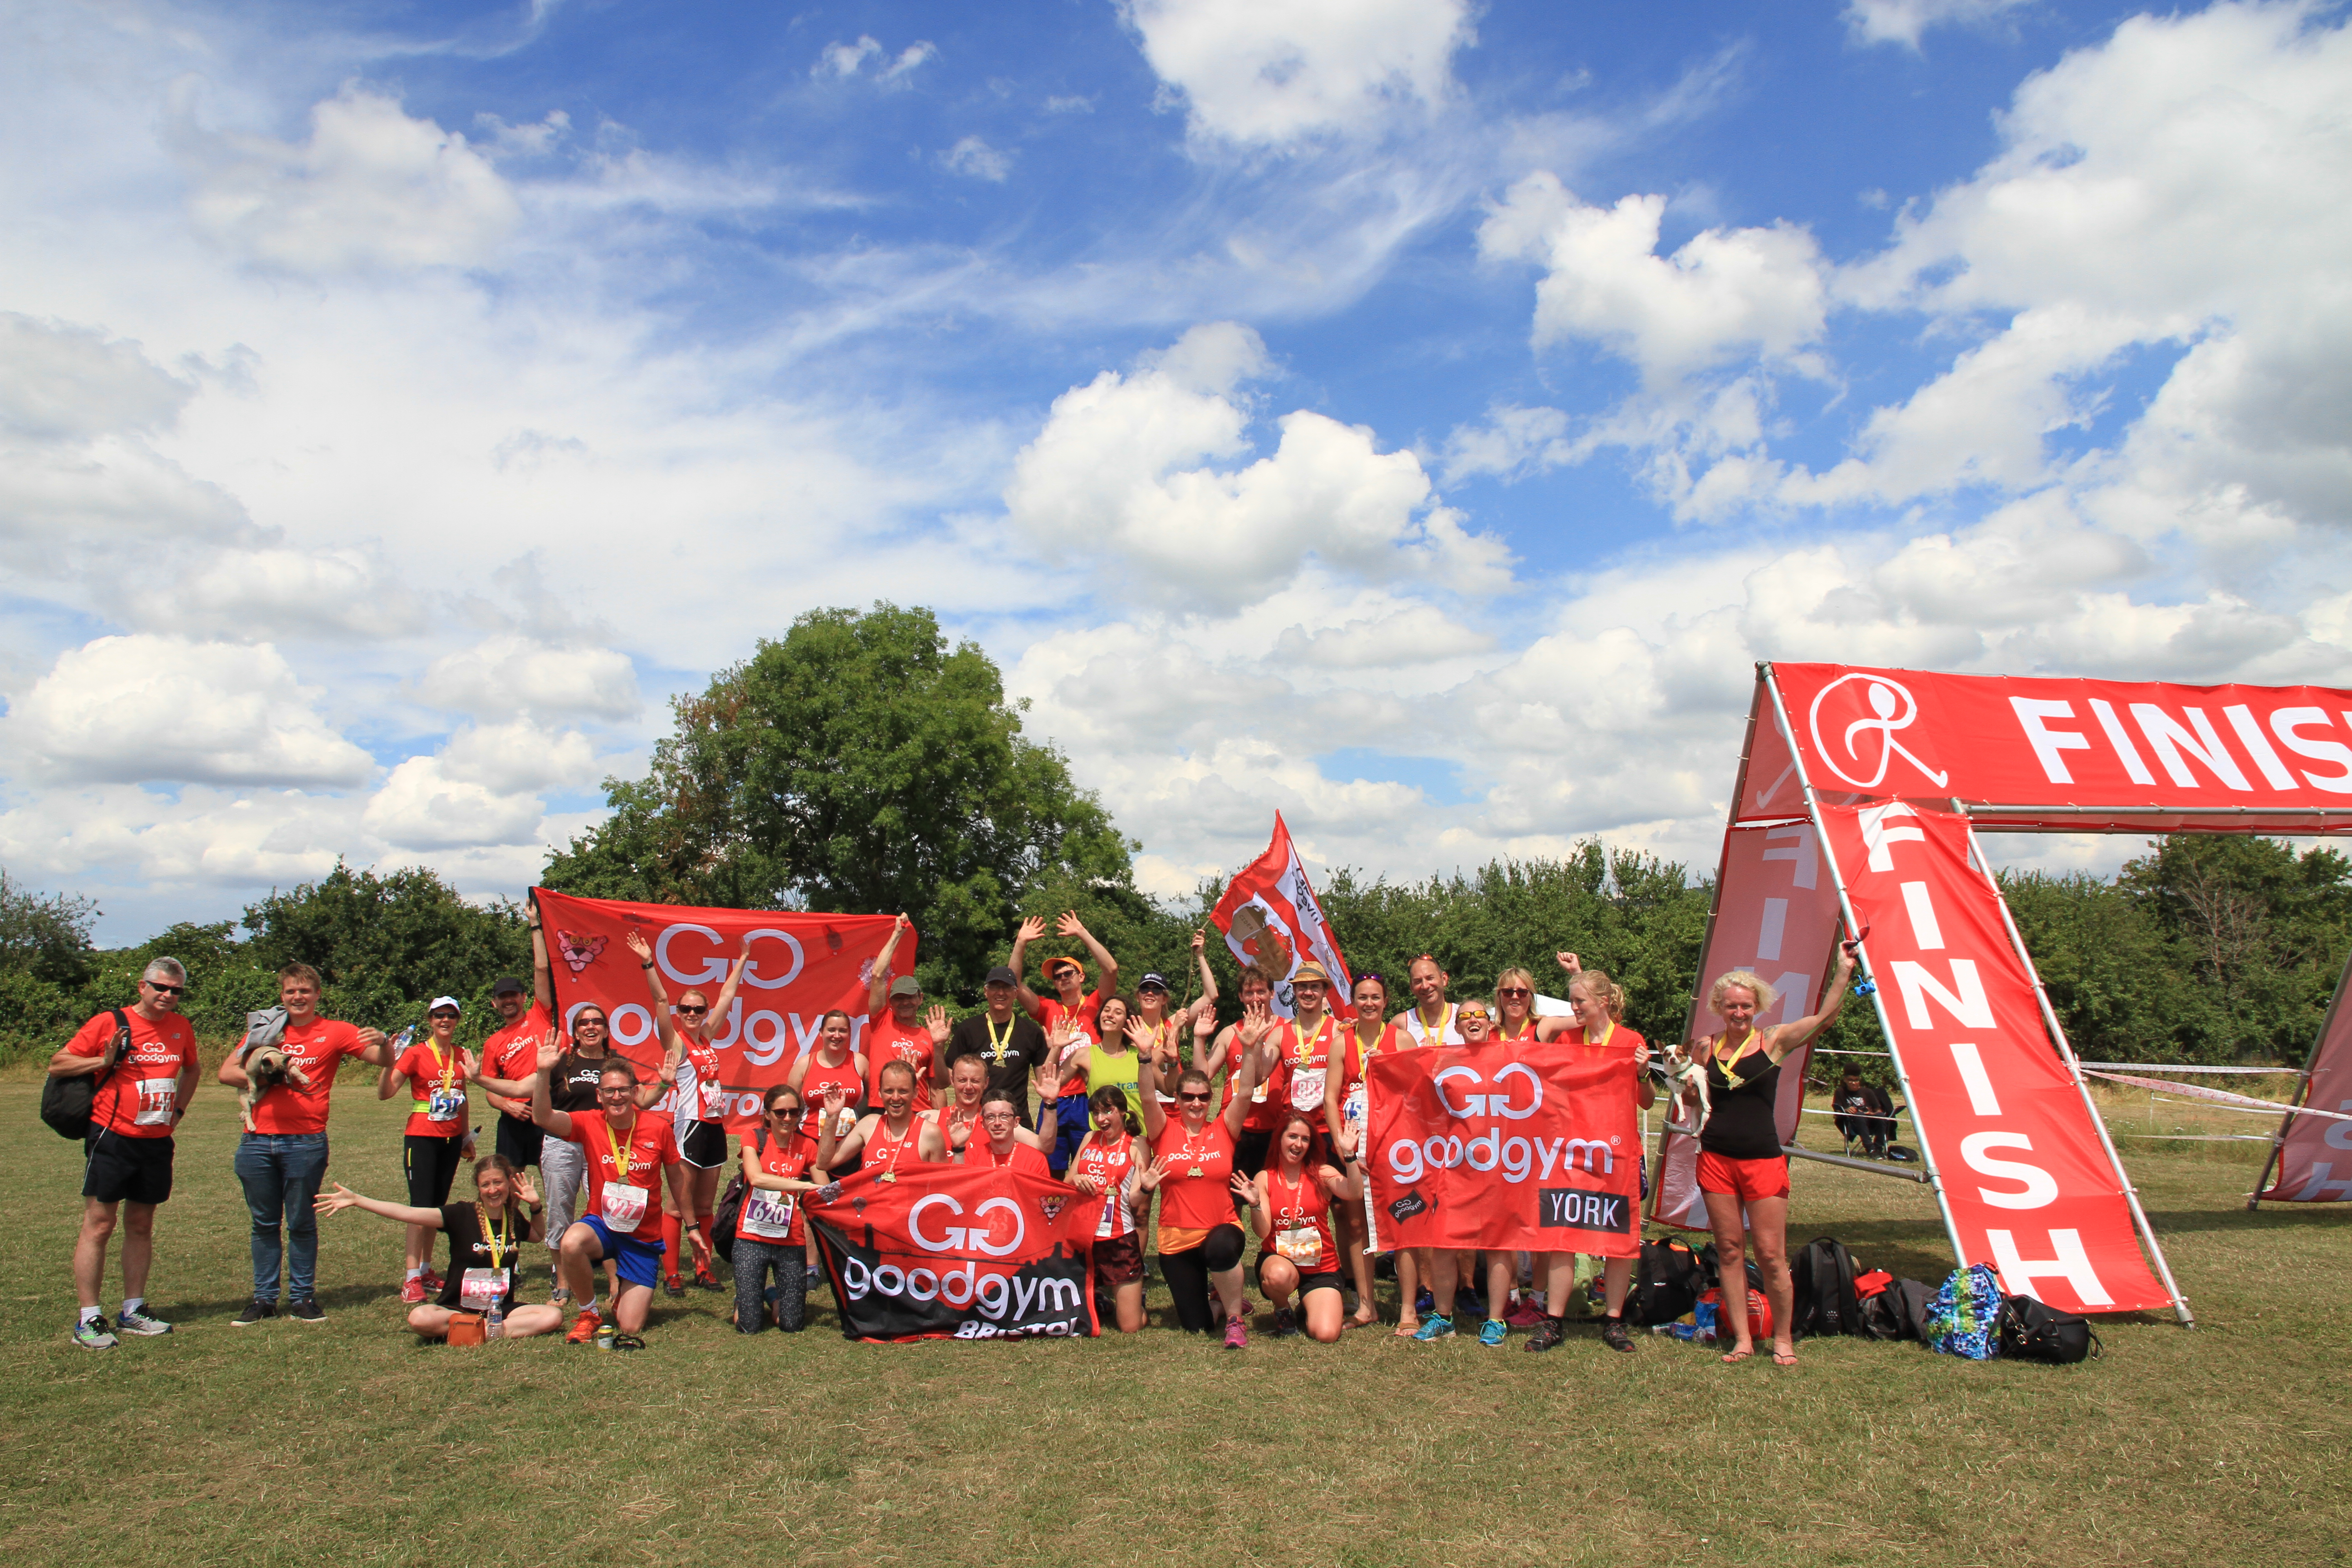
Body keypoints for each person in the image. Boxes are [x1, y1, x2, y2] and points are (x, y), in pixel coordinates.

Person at [1695, 944, 1859, 1367]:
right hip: (1715, 1159)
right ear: (1719, 1007)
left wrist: (1843, 970)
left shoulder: (1774, 1040)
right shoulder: (1705, 1047)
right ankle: (1743, 1339)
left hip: (1763, 1160)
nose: (1739, 1013)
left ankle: (1783, 1338)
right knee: (1729, 1251)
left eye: (1746, 1006)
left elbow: (1824, 1019)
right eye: (1731, 1006)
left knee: (1770, 1255)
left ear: (1757, 1007)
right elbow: (1689, 1090)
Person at [217, 962, 394, 1326]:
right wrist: (271, 1076)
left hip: (306, 1141)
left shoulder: (335, 1031)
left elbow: (384, 1062)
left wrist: (385, 1043)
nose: (298, 997)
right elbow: (226, 1072)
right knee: (264, 1224)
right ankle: (264, 1299)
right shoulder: (268, 1030)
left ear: (317, 995)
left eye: (305, 991)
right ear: (282, 996)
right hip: (257, 1140)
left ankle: (302, 1298)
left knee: (300, 1223)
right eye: (290, 992)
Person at [51, 957, 201, 1348]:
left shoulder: (181, 1027)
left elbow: (193, 1070)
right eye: (161, 987)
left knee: (140, 1225)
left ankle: (133, 1310)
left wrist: (178, 1112)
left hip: (155, 1139)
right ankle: (89, 1318)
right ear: (143, 987)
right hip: (112, 1136)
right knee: (99, 1224)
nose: (168, 995)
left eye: (176, 990)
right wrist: (102, 1061)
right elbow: (59, 1062)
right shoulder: (110, 1022)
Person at [473, 1000, 656, 1309]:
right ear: (575, 1031)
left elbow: (644, 1099)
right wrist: (478, 1079)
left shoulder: (616, 1065)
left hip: (605, 1146)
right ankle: (561, 1280)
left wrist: (665, 1080)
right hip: (562, 1144)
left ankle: (614, 1278)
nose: (591, 1027)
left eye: (597, 1021)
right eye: (584, 1022)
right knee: (560, 1213)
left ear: (607, 1030)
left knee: (608, 1210)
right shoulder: (560, 1062)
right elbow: (519, 1088)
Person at [1523, 960, 1654, 1355]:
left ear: (1602, 1001)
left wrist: (1644, 1074)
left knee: (1618, 1240)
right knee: (1563, 1235)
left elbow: (1645, 1101)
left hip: (1617, 1154)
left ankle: (1613, 1323)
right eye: (1571, 1001)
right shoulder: (1567, 1041)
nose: (1574, 1008)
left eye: (1579, 1001)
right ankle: (1554, 1321)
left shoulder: (1631, 1040)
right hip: (1571, 1152)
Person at [529, 1041, 695, 1347]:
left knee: (630, 1326)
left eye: (623, 1090)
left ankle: (625, 1296)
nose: (616, 1096)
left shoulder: (658, 1128)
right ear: (599, 1096)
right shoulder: (588, 1122)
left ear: (634, 1092)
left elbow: (677, 1179)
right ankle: (589, 1313)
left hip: (642, 1237)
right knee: (572, 1241)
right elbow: (542, 1118)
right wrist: (542, 1073)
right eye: (609, 1091)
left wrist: (693, 1227)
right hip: (602, 1224)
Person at [623, 927, 750, 1296]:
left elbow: (728, 994)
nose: (693, 1014)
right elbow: (660, 1000)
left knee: (706, 1204)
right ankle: (671, 1273)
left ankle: (703, 1269)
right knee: (680, 1206)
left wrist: (742, 958)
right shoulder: (675, 1042)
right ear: (679, 1013)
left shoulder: (707, 1037)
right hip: (689, 1126)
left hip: (714, 1126)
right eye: (687, 1009)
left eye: (699, 1009)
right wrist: (648, 961)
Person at [313, 1155, 564, 1340]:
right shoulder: (460, 1214)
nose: (493, 1190)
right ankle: (481, 1330)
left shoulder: (513, 1218)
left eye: (498, 1183)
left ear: (509, 1184)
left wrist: (535, 1206)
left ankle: (477, 1333)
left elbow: (538, 1235)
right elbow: (409, 1213)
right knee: (420, 1318)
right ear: (478, 1188)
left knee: (553, 1316)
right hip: (456, 1309)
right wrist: (358, 1200)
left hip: (500, 1309)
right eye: (485, 1185)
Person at [1140, 1005, 1271, 1347]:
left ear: (1211, 1099)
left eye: (1203, 1097)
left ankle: (1235, 1320)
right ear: (1178, 1100)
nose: (1196, 1103)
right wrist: (1144, 1057)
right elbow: (1145, 1098)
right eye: (1188, 1097)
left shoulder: (1224, 1128)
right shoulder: (1163, 1131)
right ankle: (1220, 1303)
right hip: (1176, 1239)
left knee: (1222, 1247)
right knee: (1196, 1326)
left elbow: (1245, 1093)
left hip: (1220, 1229)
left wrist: (1248, 1048)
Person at [1414, 998, 1519, 1344]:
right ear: (1456, 1027)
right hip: (1455, 1167)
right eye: (1465, 1017)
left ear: (1491, 1024)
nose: (1473, 1020)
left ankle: (1496, 1320)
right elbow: (1416, 1099)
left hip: (1503, 1166)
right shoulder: (1444, 1060)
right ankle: (1443, 1316)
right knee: (1444, 1242)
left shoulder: (1512, 1056)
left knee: (1500, 1243)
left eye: (1480, 1015)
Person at [378, 996, 478, 1304]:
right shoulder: (415, 1053)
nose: (445, 1020)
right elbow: (385, 1093)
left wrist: (465, 1137)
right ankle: (410, 1279)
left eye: (451, 1015)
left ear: (458, 1020)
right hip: (422, 1136)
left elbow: (461, 1099)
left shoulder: (462, 1055)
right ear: (430, 1019)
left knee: (437, 1208)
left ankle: (425, 1269)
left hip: (449, 1139)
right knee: (419, 1207)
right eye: (439, 1015)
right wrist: (387, 1062)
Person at [1010, 911, 1118, 1175]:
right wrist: (1020, 943)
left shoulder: (1096, 1004)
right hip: (1056, 1099)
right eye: (1057, 976)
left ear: (1081, 977)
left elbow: (1111, 969)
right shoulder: (1048, 1009)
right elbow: (1013, 984)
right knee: (1049, 1169)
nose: (1062, 978)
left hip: (1088, 1098)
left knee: (1091, 1168)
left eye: (1068, 972)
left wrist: (1082, 932)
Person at [1245, 1109, 1363, 1343]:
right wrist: (1256, 1205)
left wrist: (1349, 1155)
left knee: (1327, 1334)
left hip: (1321, 1267)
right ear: (1279, 1138)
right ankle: (1283, 1310)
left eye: (1305, 1139)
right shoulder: (1264, 1178)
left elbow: (1355, 1191)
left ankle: (1308, 1305)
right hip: (1281, 1262)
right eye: (1292, 1137)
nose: (1298, 1144)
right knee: (1278, 1277)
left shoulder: (1322, 1173)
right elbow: (1262, 1232)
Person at [1326, 970, 1398, 1331]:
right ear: (1353, 1003)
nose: (1369, 1003)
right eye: (1362, 998)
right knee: (1356, 1224)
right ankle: (1366, 1303)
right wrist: (1342, 1146)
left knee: (1405, 1220)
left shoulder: (1401, 1040)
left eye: (1375, 997)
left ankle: (1417, 1302)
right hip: (1355, 1147)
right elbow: (1329, 1097)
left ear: (1385, 1002)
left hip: (1395, 1149)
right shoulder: (1342, 1042)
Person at [734, 1083, 833, 1334]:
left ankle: (769, 1294)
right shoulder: (753, 1138)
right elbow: (756, 1178)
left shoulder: (807, 1146)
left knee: (791, 1325)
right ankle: (745, 1300)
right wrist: (801, 1185)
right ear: (767, 1114)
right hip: (751, 1237)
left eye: (794, 1112)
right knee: (749, 1327)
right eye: (780, 1113)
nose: (788, 1118)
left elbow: (825, 1189)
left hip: (790, 1239)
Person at [1066, 1084, 1153, 1332]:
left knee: (1130, 1327)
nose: (1101, 1119)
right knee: (1072, 1317)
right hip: (1084, 1237)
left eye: (1108, 1111)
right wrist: (1077, 1181)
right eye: (1095, 1113)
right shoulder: (1089, 1138)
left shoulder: (1137, 1144)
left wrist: (1146, 1188)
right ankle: (1099, 1297)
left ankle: (1136, 1302)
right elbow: (1067, 1182)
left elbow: (1135, 1201)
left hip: (1119, 1239)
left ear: (1123, 1112)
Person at [477, 908, 556, 1181]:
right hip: (514, 1118)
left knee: (554, 1181)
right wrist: (507, 1106)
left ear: (524, 998)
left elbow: (542, 968)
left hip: (547, 1106)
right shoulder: (493, 1043)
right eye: (502, 998)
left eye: (514, 995)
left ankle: (554, 1226)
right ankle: (512, 1225)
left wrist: (535, 923)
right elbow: (489, 1089)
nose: (508, 1001)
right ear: (494, 1003)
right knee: (511, 1182)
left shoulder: (540, 1014)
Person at [943, 966, 1057, 1142]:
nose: (1001, 993)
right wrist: (937, 1046)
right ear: (986, 991)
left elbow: (1044, 1080)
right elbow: (947, 1078)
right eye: (995, 987)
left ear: (1016, 993)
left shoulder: (1030, 1031)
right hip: (978, 1120)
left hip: (1017, 1120)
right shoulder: (969, 1029)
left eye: (1007, 988)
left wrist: (1056, 1049)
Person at [1203, 964, 1284, 1179]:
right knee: (1231, 1198)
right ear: (1240, 996)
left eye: (1261, 991)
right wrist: (1198, 1038)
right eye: (1249, 993)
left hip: (1276, 1128)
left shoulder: (1287, 1030)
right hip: (1236, 1127)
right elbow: (1203, 1076)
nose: (1256, 998)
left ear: (1272, 993)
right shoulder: (1230, 1033)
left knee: (1273, 1197)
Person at [1132, 931, 1218, 1110]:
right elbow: (1145, 1064)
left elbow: (1211, 995)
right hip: (1144, 1105)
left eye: (1157, 991)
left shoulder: (1171, 1022)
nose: (1150, 993)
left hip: (1174, 1104)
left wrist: (1200, 955)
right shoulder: (1132, 1028)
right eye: (1145, 989)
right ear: (1138, 997)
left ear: (1164, 999)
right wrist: (1175, 1030)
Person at [865, 916, 942, 1111]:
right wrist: (897, 934)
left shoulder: (930, 1036)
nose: (905, 1002)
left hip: (919, 1111)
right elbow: (877, 976)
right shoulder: (882, 1021)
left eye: (910, 997)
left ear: (920, 999)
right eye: (899, 998)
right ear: (890, 1002)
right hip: (881, 1108)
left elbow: (937, 1090)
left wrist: (941, 1124)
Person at [818, 1059, 941, 1178]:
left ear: (915, 1093)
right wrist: (832, 1116)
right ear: (880, 1093)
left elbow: (942, 1186)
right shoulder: (869, 1125)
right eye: (889, 1091)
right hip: (872, 1199)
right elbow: (824, 1163)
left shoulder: (930, 1133)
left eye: (903, 1091)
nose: (896, 1097)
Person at [967, 1087, 1054, 1174]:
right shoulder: (972, 1159)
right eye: (991, 1117)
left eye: (1004, 1116)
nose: (997, 1123)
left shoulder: (1035, 1160)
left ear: (1016, 1122)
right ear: (983, 1124)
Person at [1397, 955, 1464, 1049]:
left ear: (1444, 979)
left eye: (1430, 978)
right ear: (1412, 987)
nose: (1425, 986)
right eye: (1418, 981)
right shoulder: (1401, 1024)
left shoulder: (1464, 1016)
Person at [1832, 1066, 1896, 1156]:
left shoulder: (1868, 1092)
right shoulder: (1840, 1092)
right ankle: (1870, 1149)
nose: (1854, 1083)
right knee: (1859, 1115)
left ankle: (1878, 1148)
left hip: (1870, 1122)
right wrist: (1846, 1110)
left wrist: (1872, 1114)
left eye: (1857, 1080)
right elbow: (1837, 1112)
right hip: (1854, 1124)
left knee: (1881, 1116)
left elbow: (1878, 1110)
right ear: (1845, 1080)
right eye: (1851, 1080)